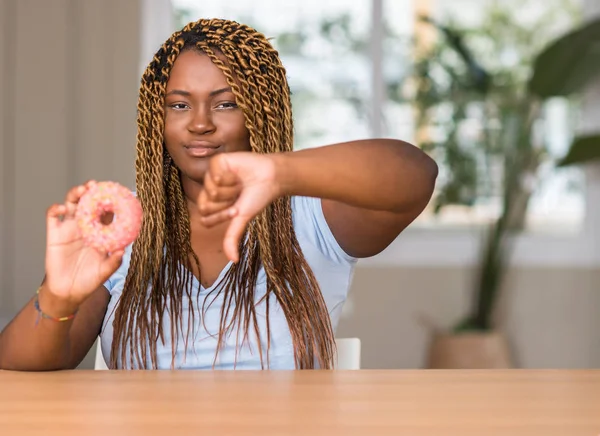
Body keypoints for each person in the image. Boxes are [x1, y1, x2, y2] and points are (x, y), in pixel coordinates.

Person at [0, 18, 437, 371]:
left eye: (225, 103)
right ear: (159, 120)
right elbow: (18, 370)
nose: (200, 123)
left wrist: (279, 170)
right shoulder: (121, 227)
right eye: (179, 104)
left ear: (261, 115)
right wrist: (58, 296)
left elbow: (416, 175)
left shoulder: (309, 215)